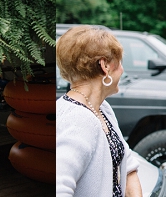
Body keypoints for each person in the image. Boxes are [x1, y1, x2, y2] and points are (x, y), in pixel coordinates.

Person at [56, 26, 143, 197]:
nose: (122, 70)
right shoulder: (78, 119)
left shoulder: (102, 108)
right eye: (119, 62)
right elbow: (60, 187)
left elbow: (129, 167)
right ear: (105, 66)